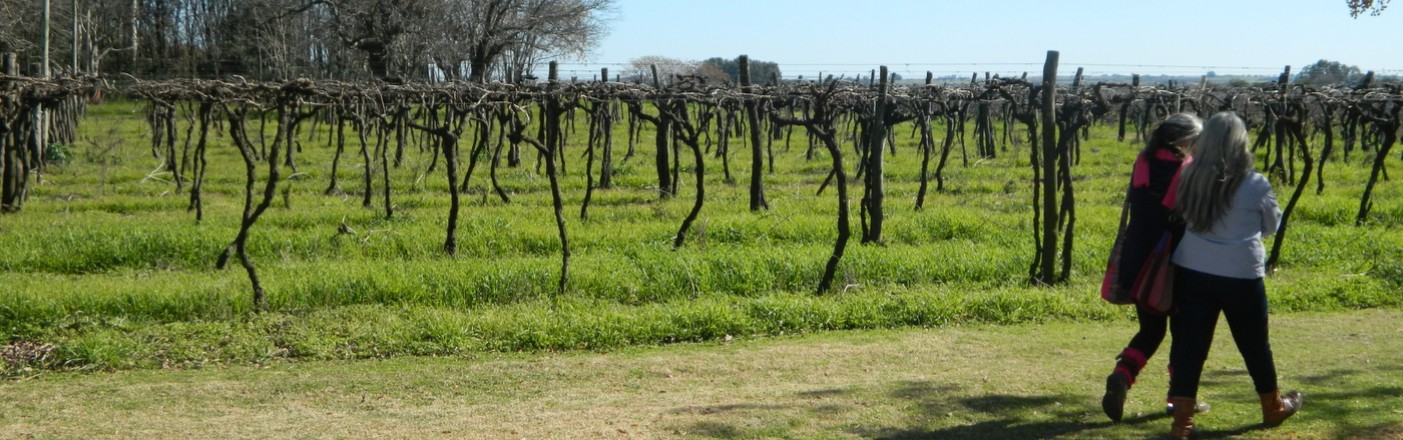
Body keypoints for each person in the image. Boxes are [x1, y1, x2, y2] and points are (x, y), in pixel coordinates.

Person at [1165, 112, 1301, 439]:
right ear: (1241, 141)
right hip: (1241, 273)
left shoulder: (1189, 176)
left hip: (1192, 268)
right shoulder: (1255, 184)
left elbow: (1181, 215)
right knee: (1254, 344)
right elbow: (1271, 226)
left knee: (1189, 346)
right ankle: (1272, 407)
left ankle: (1182, 424)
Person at [1101, 113, 1204, 422]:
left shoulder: (1143, 162)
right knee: (1183, 334)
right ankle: (1178, 398)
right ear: (1184, 141)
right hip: (1175, 262)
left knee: (1151, 328)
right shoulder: (1188, 170)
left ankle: (1123, 373)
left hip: (1139, 261)